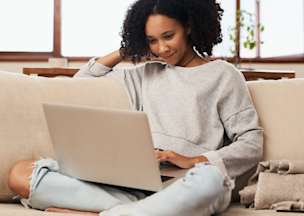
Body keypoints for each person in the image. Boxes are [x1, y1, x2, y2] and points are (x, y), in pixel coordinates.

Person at [8, 0, 263, 215]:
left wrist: (195, 160)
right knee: (20, 173)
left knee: (211, 181)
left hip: (189, 181)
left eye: (168, 36)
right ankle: (138, 210)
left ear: (189, 26)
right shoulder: (146, 74)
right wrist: (126, 50)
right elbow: (83, 80)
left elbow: (251, 142)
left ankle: (109, 211)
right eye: (151, 40)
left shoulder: (224, 75)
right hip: (137, 183)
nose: (161, 48)